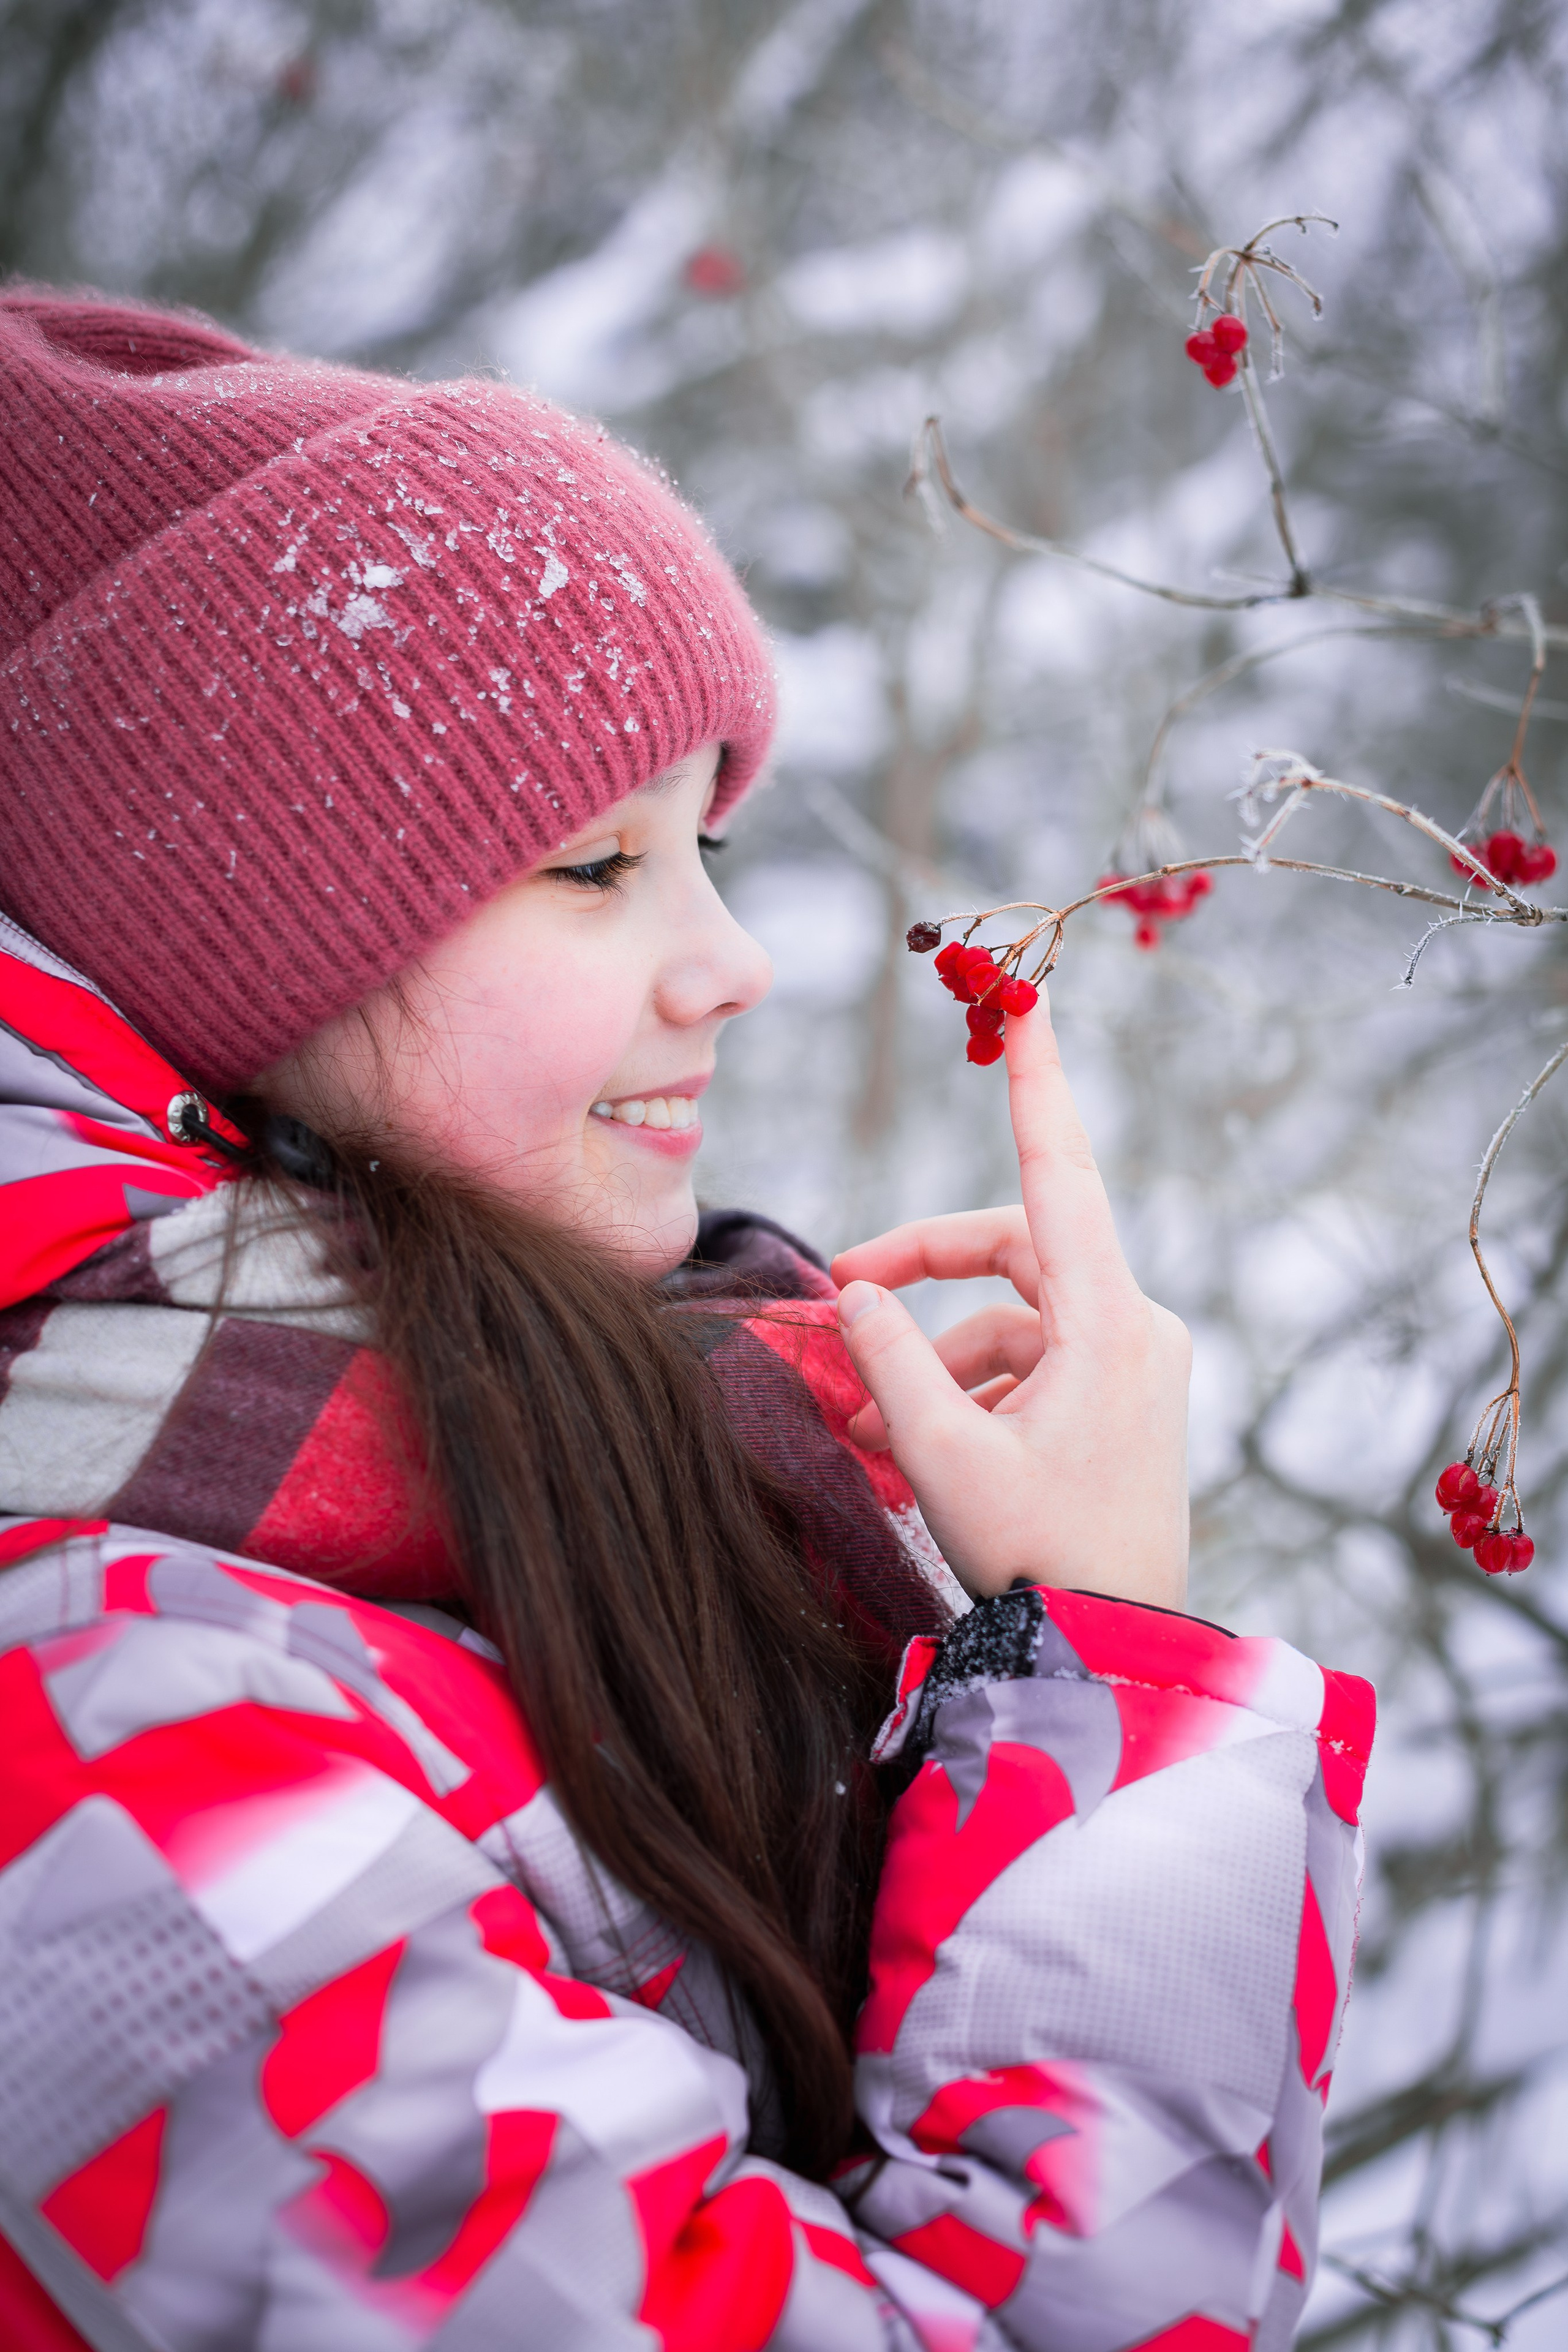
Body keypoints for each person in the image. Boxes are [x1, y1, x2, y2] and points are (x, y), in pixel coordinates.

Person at [0, 288, 1373, 2352]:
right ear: (230, 941)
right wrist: (1103, 1691)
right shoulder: (104, 1757)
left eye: (702, 845)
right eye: (591, 865)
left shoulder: (577, 1456)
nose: (729, 959)